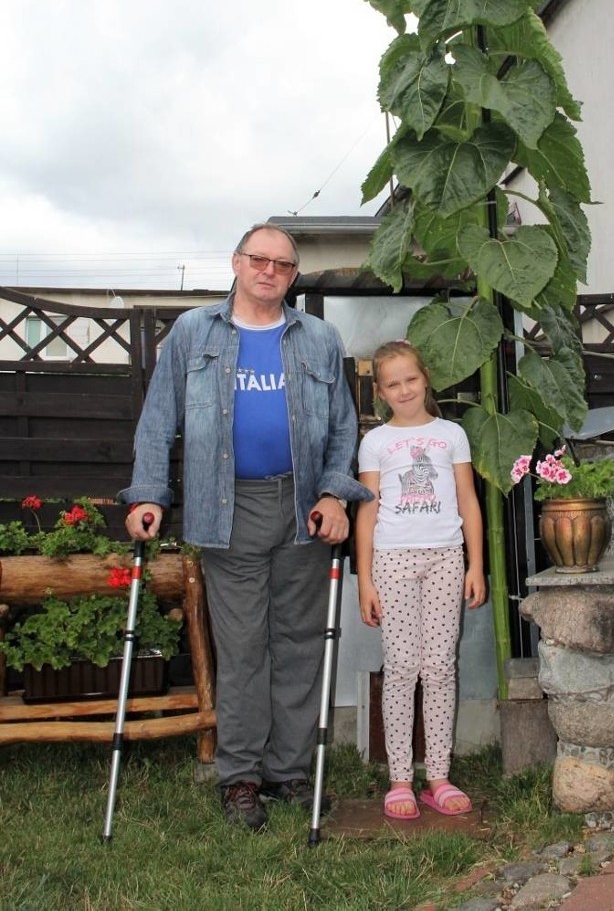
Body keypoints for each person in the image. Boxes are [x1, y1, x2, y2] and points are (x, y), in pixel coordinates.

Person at [119, 222, 371, 832]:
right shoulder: (192, 333)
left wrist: (337, 495)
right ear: (236, 262)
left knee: (299, 643)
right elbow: (158, 420)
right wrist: (148, 493)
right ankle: (240, 778)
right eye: (259, 259)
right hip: (224, 507)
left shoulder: (317, 338)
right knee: (242, 649)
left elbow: (343, 428)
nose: (270, 271)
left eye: (283, 265)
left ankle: (287, 771)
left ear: (292, 276)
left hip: (302, 507)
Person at [355, 339, 486, 821]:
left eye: (411, 379)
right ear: (380, 391)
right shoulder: (375, 442)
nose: (404, 389)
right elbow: (366, 513)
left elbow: (468, 501)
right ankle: (399, 780)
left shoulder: (452, 434)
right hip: (392, 563)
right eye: (393, 383)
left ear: (425, 378)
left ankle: (438, 775)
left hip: (446, 559)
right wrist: (364, 581)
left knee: (440, 667)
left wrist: (476, 565)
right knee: (402, 666)